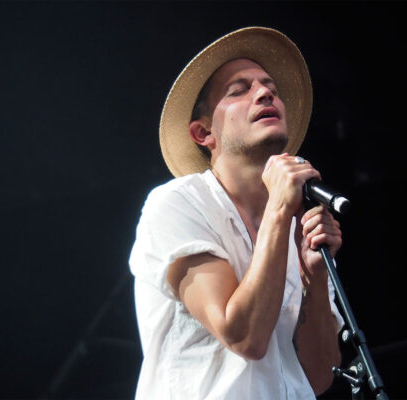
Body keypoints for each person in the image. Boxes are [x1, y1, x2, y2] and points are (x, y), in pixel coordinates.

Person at [129, 27, 344, 400]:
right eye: (239, 90)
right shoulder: (178, 204)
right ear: (202, 133)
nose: (266, 93)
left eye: (270, 87)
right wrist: (279, 210)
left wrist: (316, 278)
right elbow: (243, 336)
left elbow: (319, 377)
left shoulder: (296, 227)